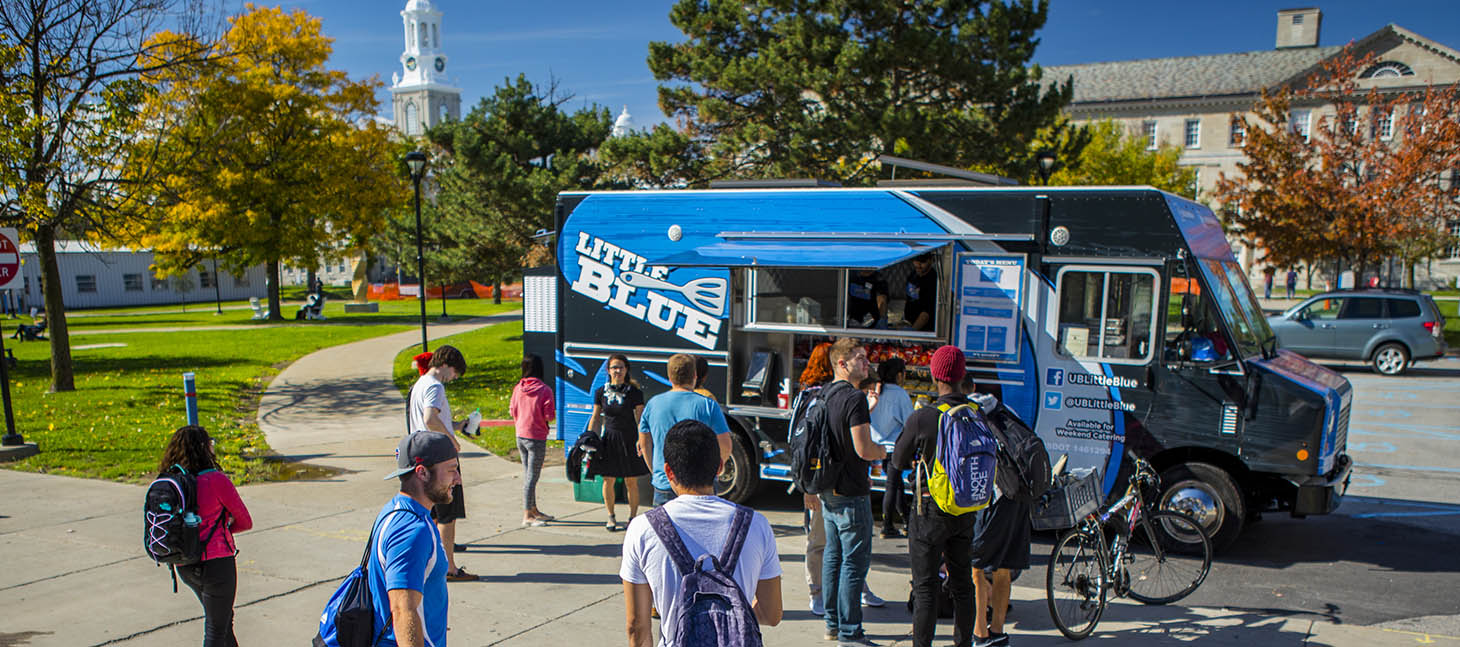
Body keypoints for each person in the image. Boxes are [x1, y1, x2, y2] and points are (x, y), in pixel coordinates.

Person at [621, 419, 783, 647]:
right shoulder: (756, 524)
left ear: (668, 471)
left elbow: (636, 626)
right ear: (719, 467)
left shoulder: (642, 529)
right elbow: (772, 614)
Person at [890, 346, 979, 647]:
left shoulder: (925, 417)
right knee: (963, 584)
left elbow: (898, 460)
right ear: (962, 376)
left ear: (934, 375)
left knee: (926, 587)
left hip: (930, 511)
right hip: (966, 509)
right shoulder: (975, 414)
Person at [158, 425, 253, 647]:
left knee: (222, 620)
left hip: (184, 563)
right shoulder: (216, 481)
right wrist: (222, 530)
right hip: (217, 565)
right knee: (216, 629)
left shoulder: (173, 481)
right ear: (204, 448)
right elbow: (245, 522)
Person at [820, 338, 887, 647]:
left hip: (828, 488)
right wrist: (883, 452)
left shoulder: (824, 394)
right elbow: (863, 448)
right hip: (851, 491)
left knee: (833, 557)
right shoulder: (854, 399)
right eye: (860, 359)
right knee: (853, 563)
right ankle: (851, 633)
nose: (867, 363)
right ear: (842, 364)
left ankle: (832, 625)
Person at [374, 432, 461, 647]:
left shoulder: (395, 509)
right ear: (422, 473)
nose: (458, 479)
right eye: (451, 470)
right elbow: (403, 611)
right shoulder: (412, 531)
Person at [407, 344, 475, 581]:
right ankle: (449, 569)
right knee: (448, 514)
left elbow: (429, 419)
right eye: (454, 373)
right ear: (445, 364)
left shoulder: (419, 385)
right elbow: (430, 418)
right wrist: (452, 440)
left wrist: (459, 425)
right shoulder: (435, 386)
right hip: (439, 456)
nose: (452, 378)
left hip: (421, 452)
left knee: (431, 513)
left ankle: (432, 562)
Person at [638, 353, 732, 507]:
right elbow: (726, 446)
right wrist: (713, 470)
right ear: (695, 375)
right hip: (700, 486)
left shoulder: (653, 404)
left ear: (669, 377)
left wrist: (657, 472)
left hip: (665, 483)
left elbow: (644, 443)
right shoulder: (708, 405)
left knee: (664, 530)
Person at [587, 354, 649, 531]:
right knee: (608, 479)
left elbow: (640, 419)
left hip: (629, 439)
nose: (618, 371)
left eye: (621, 367)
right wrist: (591, 437)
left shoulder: (635, 393)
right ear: (608, 370)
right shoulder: (601, 392)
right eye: (614, 367)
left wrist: (641, 439)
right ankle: (611, 517)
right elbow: (596, 418)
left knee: (631, 481)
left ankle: (632, 518)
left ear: (626, 369)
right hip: (610, 439)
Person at [868, 357, 913, 539]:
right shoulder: (900, 394)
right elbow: (909, 422)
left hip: (875, 446)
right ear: (899, 375)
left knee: (897, 485)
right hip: (894, 448)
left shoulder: (875, 392)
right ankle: (887, 526)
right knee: (892, 486)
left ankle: (907, 519)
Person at [510, 354, 556, 527]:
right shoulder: (545, 390)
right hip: (536, 437)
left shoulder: (518, 388)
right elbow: (549, 416)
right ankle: (527, 515)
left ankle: (534, 508)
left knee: (528, 474)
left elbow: (512, 411)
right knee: (532, 477)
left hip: (520, 435)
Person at [904, 254, 939, 332]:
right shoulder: (913, 275)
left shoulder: (933, 280)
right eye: (916, 261)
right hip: (909, 321)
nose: (918, 265)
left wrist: (913, 331)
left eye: (922, 262)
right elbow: (909, 298)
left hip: (924, 328)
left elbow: (927, 312)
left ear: (930, 261)